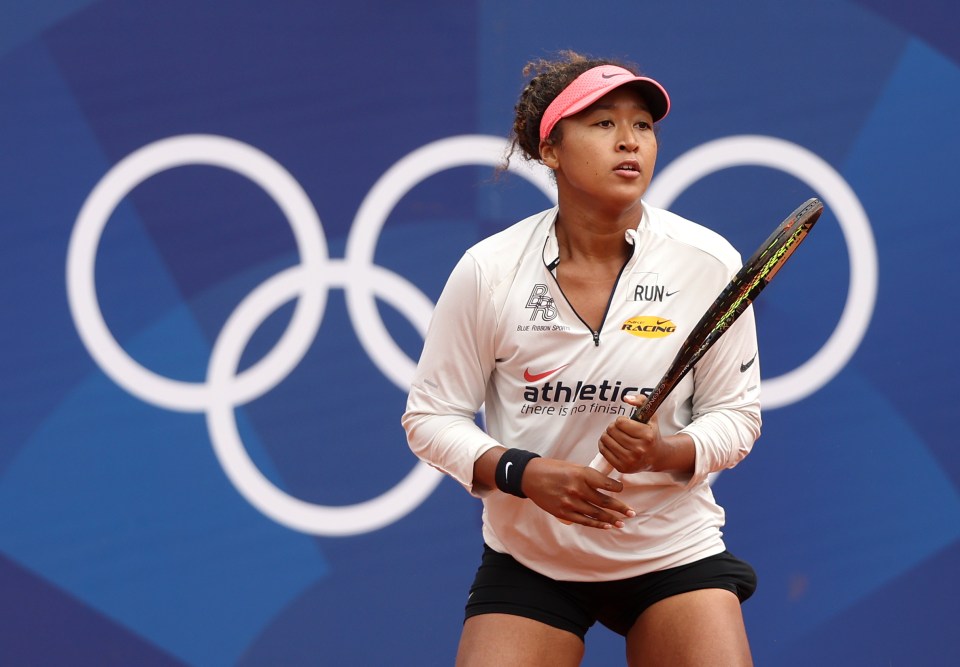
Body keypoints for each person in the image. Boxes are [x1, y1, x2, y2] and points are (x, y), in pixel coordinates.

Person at [402, 50, 761, 667]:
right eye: (603, 124)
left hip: (670, 552)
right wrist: (523, 473)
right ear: (551, 150)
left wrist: (665, 451)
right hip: (531, 560)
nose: (630, 141)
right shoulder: (490, 271)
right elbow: (429, 419)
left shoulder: (706, 262)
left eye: (643, 126)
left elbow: (736, 416)